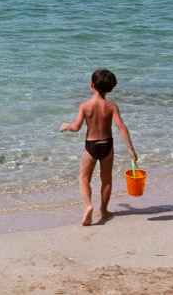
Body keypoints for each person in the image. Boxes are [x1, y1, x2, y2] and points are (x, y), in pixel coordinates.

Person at [60, 68, 139, 226]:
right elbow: (121, 127)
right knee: (107, 180)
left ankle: (88, 206)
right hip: (107, 145)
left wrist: (66, 126)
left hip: (91, 146)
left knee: (83, 178)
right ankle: (104, 210)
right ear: (110, 88)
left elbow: (76, 127)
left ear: (92, 85)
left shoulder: (85, 106)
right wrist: (131, 149)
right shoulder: (111, 106)